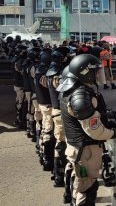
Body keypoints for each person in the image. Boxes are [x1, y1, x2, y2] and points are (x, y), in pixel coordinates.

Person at [58, 54, 116, 206]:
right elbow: (94, 131)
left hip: (77, 146)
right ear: (85, 73)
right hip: (85, 150)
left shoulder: (71, 89)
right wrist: (115, 133)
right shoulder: (80, 96)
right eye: (95, 72)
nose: (98, 75)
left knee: (79, 183)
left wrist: (105, 114)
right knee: (87, 186)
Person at [46, 46, 71, 187]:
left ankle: (57, 172)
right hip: (61, 112)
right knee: (64, 144)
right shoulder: (58, 76)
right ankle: (61, 176)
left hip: (55, 110)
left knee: (58, 141)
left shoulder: (48, 73)